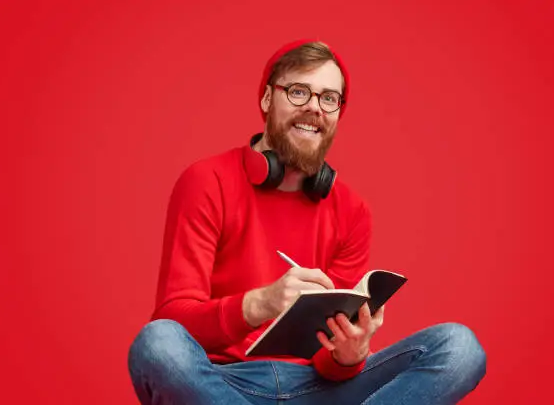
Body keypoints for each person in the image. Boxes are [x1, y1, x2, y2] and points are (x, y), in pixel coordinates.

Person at [127, 39, 486, 404]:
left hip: (318, 392)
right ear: (268, 99)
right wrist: (261, 303)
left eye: (329, 98)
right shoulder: (207, 181)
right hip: (221, 384)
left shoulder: (351, 209)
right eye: (299, 92)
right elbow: (174, 320)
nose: (314, 107)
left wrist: (349, 353)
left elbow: (330, 363)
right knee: (158, 344)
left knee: (458, 348)